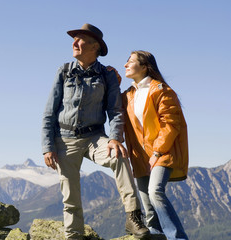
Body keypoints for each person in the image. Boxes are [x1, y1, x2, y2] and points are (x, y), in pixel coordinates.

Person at [41, 23, 150, 240]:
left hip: (95, 138)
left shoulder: (106, 74)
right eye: (74, 39)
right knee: (70, 197)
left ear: (95, 47)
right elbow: (49, 113)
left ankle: (133, 217)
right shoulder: (63, 71)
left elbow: (115, 110)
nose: (74, 43)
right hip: (64, 139)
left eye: (80, 39)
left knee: (119, 157)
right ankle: (74, 237)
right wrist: (48, 147)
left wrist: (115, 138)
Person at [122, 50, 189, 240]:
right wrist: (112, 78)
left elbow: (171, 124)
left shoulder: (162, 90)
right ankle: (156, 236)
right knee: (147, 202)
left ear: (144, 67)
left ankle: (178, 237)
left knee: (155, 192)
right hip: (140, 156)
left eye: (130, 61)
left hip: (163, 152)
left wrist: (158, 151)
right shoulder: (127, 95)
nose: (126, 65)